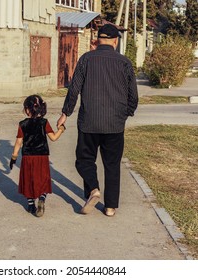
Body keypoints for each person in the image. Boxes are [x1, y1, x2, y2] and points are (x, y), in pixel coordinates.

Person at [57, 24, 138, 217]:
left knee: (84, 160)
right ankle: (110, 207)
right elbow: (133, 97)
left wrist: (65, 113)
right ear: (115, 41)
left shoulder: (86, 59)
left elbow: (74, 89)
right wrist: (124, 114)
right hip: (115, 124)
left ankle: (93, 190)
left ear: (97, 39)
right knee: (112, 165)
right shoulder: (124, 63)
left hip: (89, 122)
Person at [10, 94, 65, 217]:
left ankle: (30, 204)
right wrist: (61, 129)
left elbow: (19, 142)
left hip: (28, 157)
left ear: (28, 110)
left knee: (29, 179)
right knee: (43, 179)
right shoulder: (44, 122)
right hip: (42, 156)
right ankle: (42, 198)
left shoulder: (22, 124)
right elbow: (53, 138)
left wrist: (14, 157)